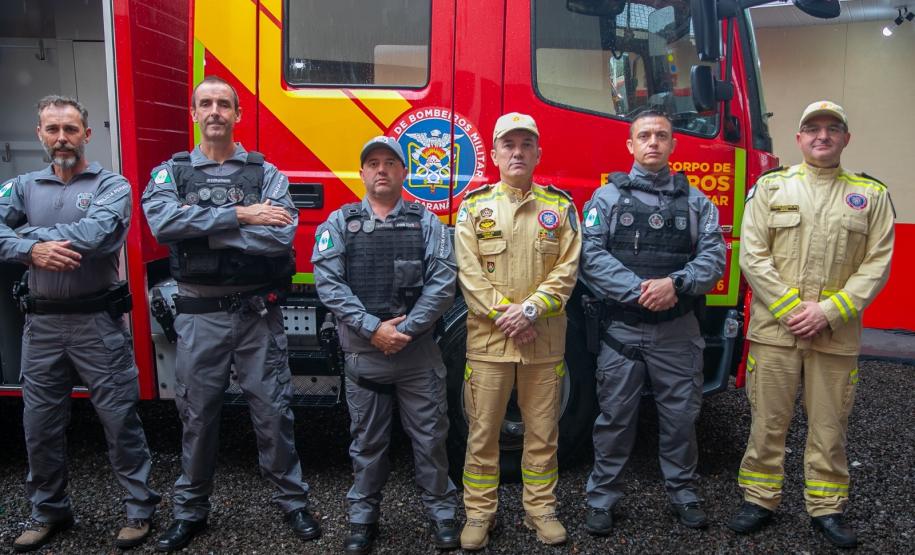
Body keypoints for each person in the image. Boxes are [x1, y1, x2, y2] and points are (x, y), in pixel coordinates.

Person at [141, 76, 319, 551]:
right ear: (194, 114)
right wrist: (241, 216)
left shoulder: (266, 174)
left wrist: (200, 232)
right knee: (197, 416)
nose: (215, 111)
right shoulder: (172, 173)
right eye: (206, 104)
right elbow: (163, 223)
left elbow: (280, 236)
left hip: (256, 314)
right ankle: (191, 510)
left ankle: (293, 502)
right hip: (199, 314)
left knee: (273, 411)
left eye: (224, 104)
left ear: (238, 114)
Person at [727, 101, 894, 548]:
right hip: (775, 334)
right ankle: (760, 499)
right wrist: (789, 308)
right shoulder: (771, 188)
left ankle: (826, 507)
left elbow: (877, 264)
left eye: (832, 129)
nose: (822, 136)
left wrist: (829, 311)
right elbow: (752, 254)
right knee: (767, 421)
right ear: (799, 138)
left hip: (834, 334)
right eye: (812, 129)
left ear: (845, 139)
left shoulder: (871, 196)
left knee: (830, 425)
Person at [0, 95, 161, 552]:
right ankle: (48, 511)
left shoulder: (113, 186)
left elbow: (96, 235)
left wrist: (24, 237)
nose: (62, 138)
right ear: (40, 135)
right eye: (52, 130)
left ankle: (139, 510)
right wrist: (29, 251)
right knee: (40, 425)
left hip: (98, 324)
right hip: (43, 329)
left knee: (119, 420)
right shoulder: (22, 188)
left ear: (87, 135)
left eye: (70, 129)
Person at [579, 110, 725, 535]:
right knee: (614, 419)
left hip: (678, 331)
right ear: (630, 145)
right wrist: (643, 289)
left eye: (662, 135)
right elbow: (590, 257)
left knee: (681, 418)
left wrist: (675, 285)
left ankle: (683, 494)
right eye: (644, 135)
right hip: (622, 330)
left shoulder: (696, 202)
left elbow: (714, 259)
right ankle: (603, 498)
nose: (653, 142)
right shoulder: (605, 199)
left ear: (673, 144)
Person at [312, 135, 459, 554]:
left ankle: (443, 512)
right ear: (362, 173)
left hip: (418, 353)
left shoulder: (427, 222)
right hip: (365, 353)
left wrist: (405, 330)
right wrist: (374, 329)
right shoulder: (340, 224)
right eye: (373, 163)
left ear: (403, 172)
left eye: (390, 163)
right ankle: (363, 518)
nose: (381, 170)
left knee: (431, 437)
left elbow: (443, 282)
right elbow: (329, 284)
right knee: (367, 442)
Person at [454, 113, 581, 550]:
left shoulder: (559, 208)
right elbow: (469, 275)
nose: (517, 152)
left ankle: (540, 510)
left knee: (543, 434)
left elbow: (567, 272)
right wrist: (508, 317)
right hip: (489, 345)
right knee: (483, 433)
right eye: (508, 145)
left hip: (543, 343)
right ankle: (478, 514)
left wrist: (528, 311)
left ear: (538, 153)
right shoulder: (474, 208)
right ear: (493, 154)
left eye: (526, 144)